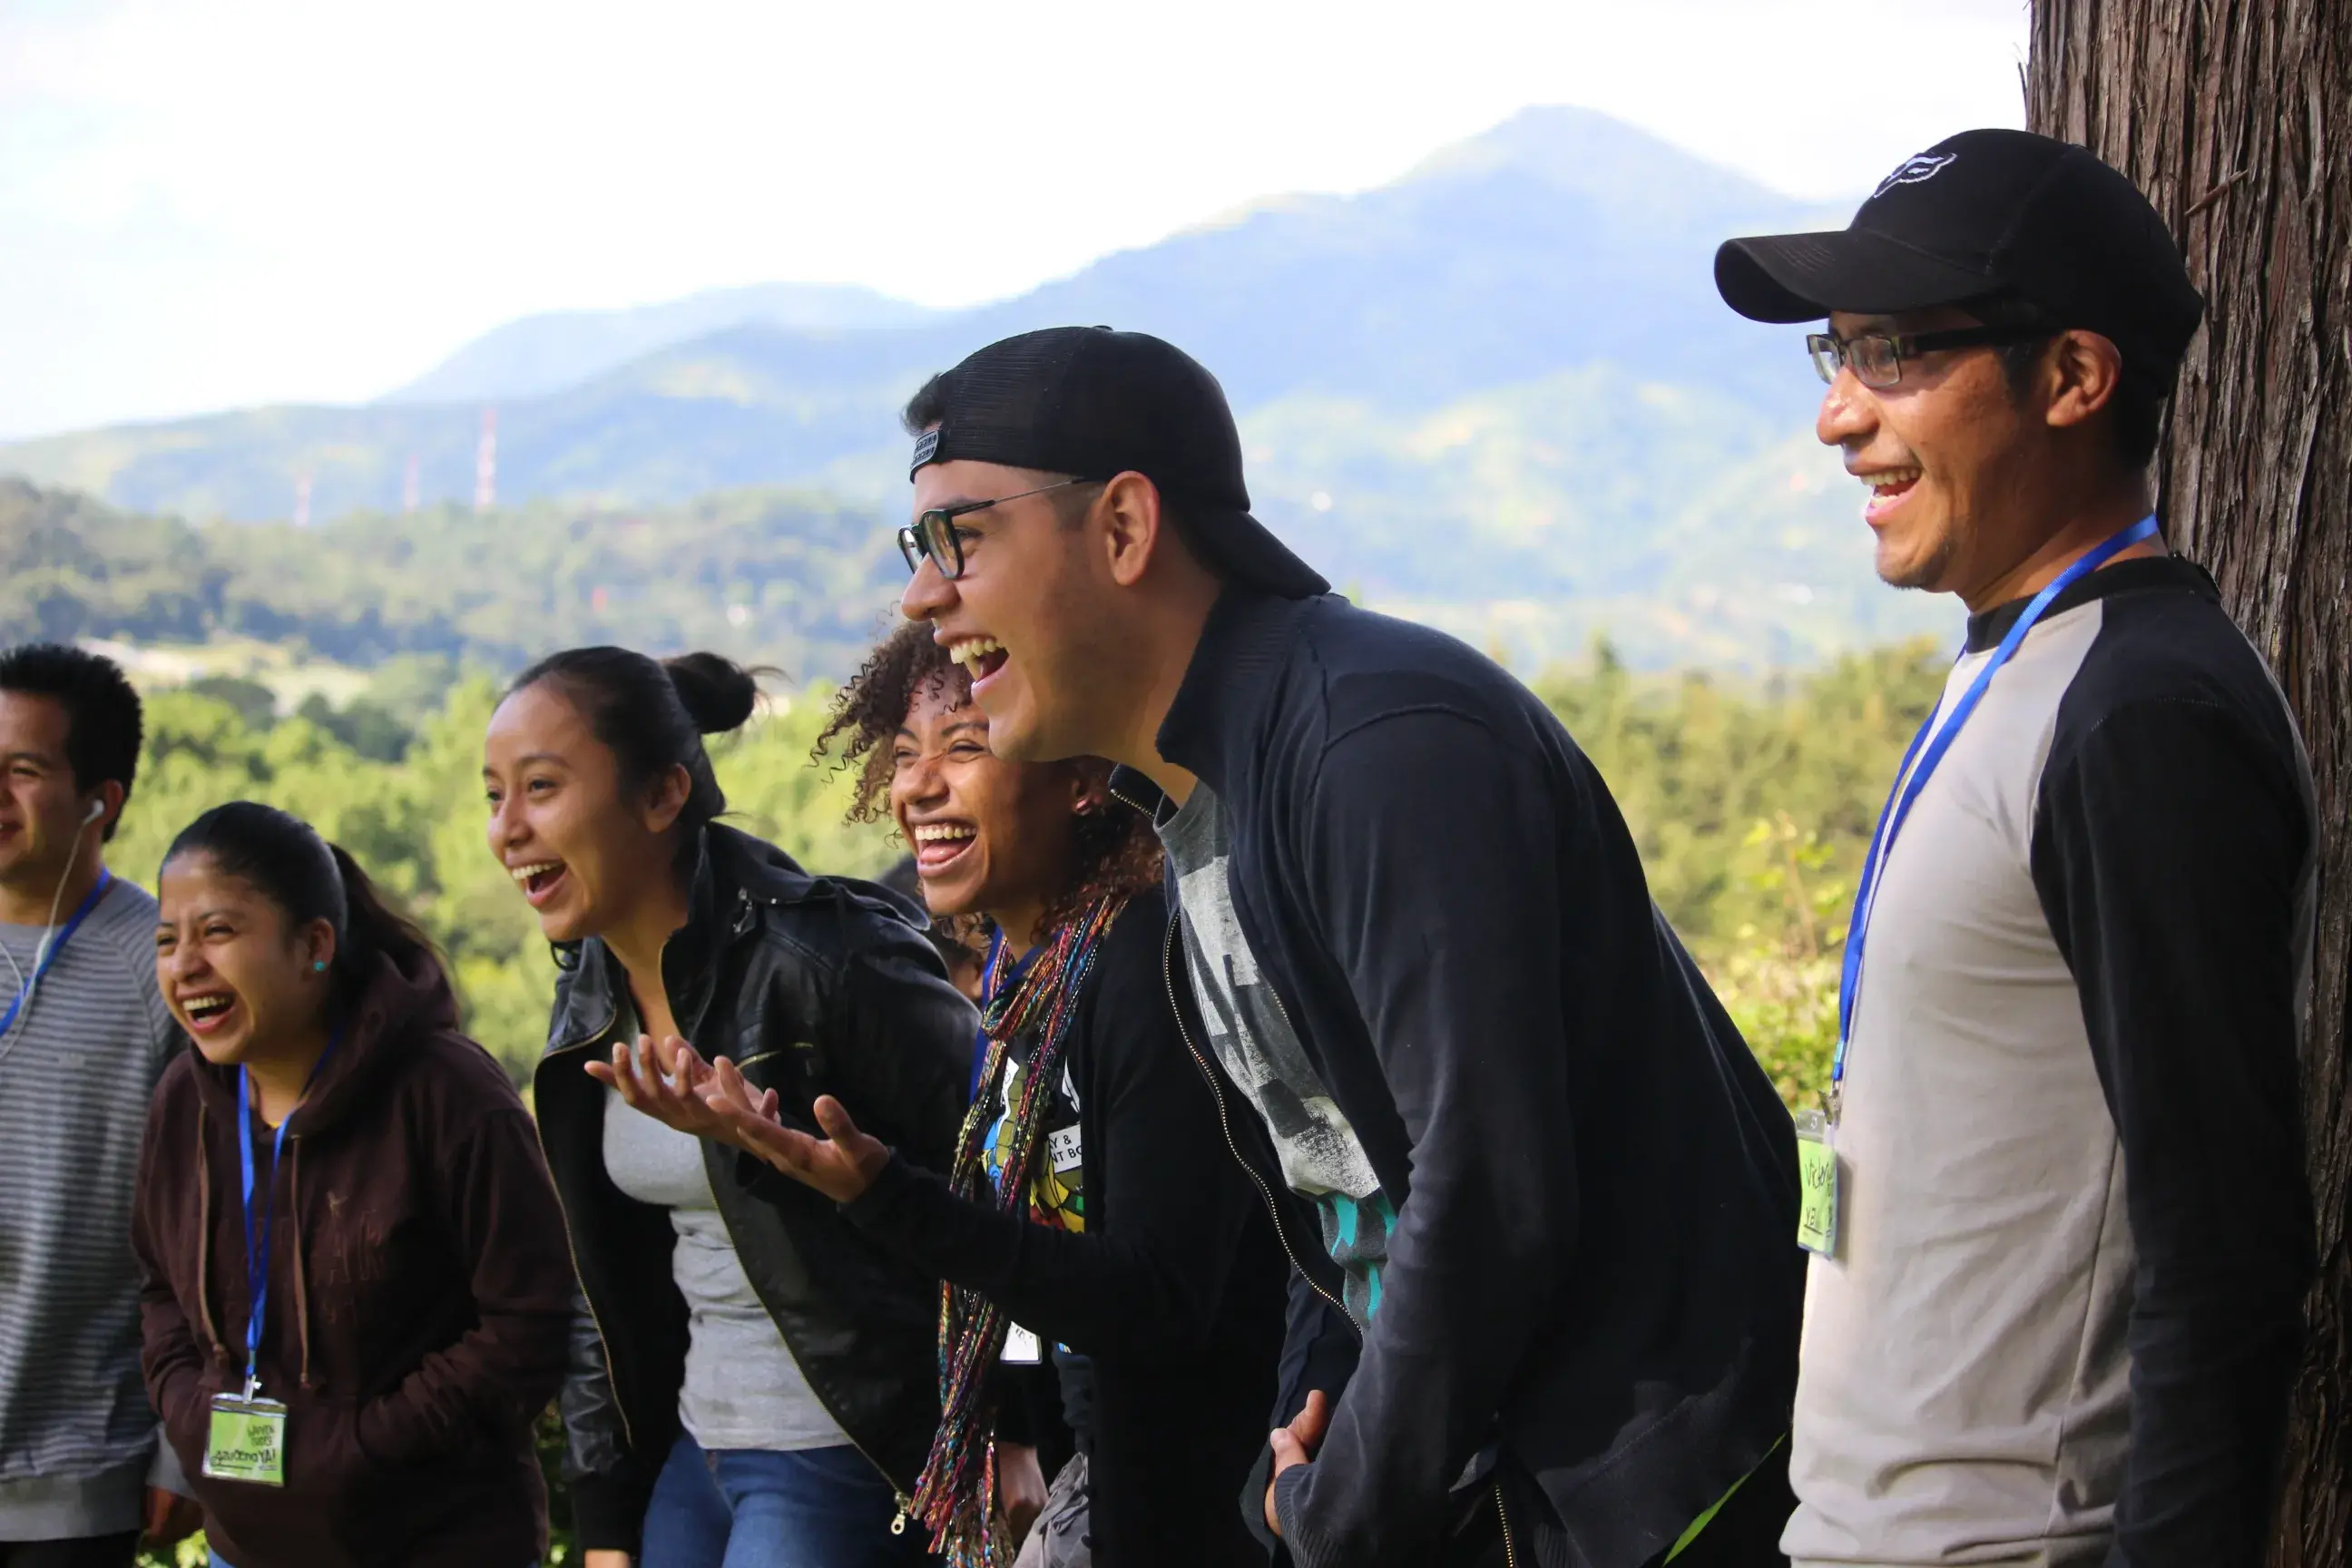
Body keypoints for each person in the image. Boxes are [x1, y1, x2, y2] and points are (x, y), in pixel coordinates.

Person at [877, 327, 1807, 1568]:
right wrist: (1316, 1455)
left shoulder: (1376, 746)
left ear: (1123, 528)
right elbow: (1342, 1198)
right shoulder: (1201, 807)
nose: (923, 596)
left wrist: (1348, 1509)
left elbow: (1487, 1194)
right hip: (1500, 1491)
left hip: (1658, 1493)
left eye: (961, 536)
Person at [1713, 129, 2319, 1568]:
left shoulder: (2140, 713)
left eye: (1898, 352)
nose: (1840, 415)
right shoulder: (2022, 665)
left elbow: (2223, 1246)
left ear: (2072, 379)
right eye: (1836, 352)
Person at [695, 620, 1289, 1566]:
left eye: (963, 747)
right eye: (902, 757)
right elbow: (1029, 1245)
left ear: (1082, 778)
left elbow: (1159, 1304)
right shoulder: (1026, 977)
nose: (917, 786)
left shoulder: (1141, 968)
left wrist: (886, 1198)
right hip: (1102, 1478)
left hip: (1212, 1508)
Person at [482, 647, 973, 1568]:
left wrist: (1011, 1432)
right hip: (693, 1455)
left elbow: (1003, 1194)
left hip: (844, 1453)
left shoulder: (830, 962)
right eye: (493, 797)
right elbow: (603, 1273)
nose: (508, 829)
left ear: (664, 797)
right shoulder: (589, 991)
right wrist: (605, 1514)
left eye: (540, 788)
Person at [132, 802, 574, 1568]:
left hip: (437, 1546)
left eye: (218, 932)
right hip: (245, 1549)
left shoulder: (447, 1093)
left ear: (314, 945)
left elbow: (526, 1323)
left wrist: (361, 1447)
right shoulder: (186, 1100)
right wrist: (189, 1411)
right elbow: (159, 1289)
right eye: (169, 940)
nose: (185, 965)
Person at [0, 643, 198, 1568]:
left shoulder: (166, 972)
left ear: (100, 800)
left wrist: (180, 1450)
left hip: (73, 1477)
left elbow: (211, 1228)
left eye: (24, 771)